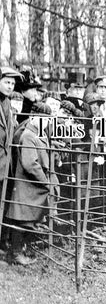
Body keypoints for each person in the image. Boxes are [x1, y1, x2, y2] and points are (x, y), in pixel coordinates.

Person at [6, 103, 56, 265]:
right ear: (33, 117)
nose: (45, 122)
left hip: (33, 184)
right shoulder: (28, 135)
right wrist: (45, 181)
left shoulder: (37, 133)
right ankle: (15, 253)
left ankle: (19, 250)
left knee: (28, 218)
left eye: (47, 119)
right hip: (27, 183)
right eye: (41, 118)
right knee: (22, 219)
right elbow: (30, 164)